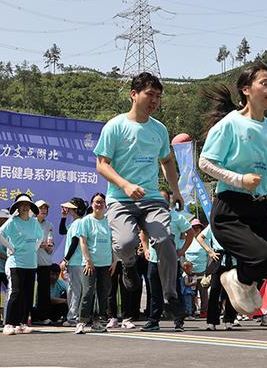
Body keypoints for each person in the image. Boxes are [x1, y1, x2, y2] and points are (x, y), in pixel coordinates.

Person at [198, 63, 267, 326]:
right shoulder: (230, 124)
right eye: (265, 83)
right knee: (265, 258)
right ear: (246, 89)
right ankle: (238, 279)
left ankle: (241, 279)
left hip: (259, 208)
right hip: (230, 209)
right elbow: (205, 163)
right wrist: (239, 179)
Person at [94, 72, 186, 332]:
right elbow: (101, 164)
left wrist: (175, 191)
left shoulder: (159, 129)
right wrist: (124, 184)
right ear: (134, 94)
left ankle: (171, 296)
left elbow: (167, 161)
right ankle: (129, 266)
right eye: (149, 94)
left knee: (165, 241)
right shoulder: (115, 126)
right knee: (125, 243)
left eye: (158, 96)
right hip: (120, 199)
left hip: (151, 199)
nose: (154, 100)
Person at [141, 190, 193, 331]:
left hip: (170, 261)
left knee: (174, 290)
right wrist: (145, 249)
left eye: (164, 199)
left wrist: (182, 250)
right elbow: (143, 232)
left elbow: (190, 232)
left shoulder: (176, 217)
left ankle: (178, 322)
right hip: (153, 260)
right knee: (154, 292)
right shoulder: (151, 216)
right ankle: (153, 321)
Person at [0, 194, 43, 335]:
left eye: (27, 204)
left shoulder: (34, 222)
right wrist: (11, 247)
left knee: (27, 294)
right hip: (16, 263)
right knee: (15, 292)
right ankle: (9, 323)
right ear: (17, 207)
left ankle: (21, 323)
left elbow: (40, 236)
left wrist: (35, 248)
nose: (24, 207)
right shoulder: (12, 221)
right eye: (21, 204)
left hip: (31, 263)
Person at [75, 192, 115, 334]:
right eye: (96, 202)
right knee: (88, 291)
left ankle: (98, 321)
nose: (99, 205)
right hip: (89, 264)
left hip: (105, 263)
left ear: (105, 205)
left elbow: (113, 243)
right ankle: (81, 321)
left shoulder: (109, 222)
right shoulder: (86, 221)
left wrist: (114, 261)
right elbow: (83, 242)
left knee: (103, 293)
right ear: (92, 204)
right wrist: (88, 260)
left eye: (101, 202)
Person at [58, 197, 87, 326]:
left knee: (75, 290)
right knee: (73, 289)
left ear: (75, 209)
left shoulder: (79, 222)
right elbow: (62, 231)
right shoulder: (75, 222)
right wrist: (63, 217)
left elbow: (75, 242)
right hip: (74, 262)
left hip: (76, 261)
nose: (67, 210)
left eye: (69, 208)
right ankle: (74, 315)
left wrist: (66, 259)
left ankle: (73, 317)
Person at [34, 200, 55, 324]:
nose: (43, 210)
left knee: (44, 291)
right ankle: (30, 316)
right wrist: (38, 245)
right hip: (30, 261)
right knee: (28, 290)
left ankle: (44, 316)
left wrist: (47, 247)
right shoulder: (31, 223)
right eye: (41, 208)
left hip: (44, 261)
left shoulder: (49, 225)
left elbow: (50, 246)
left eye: (45, 208)